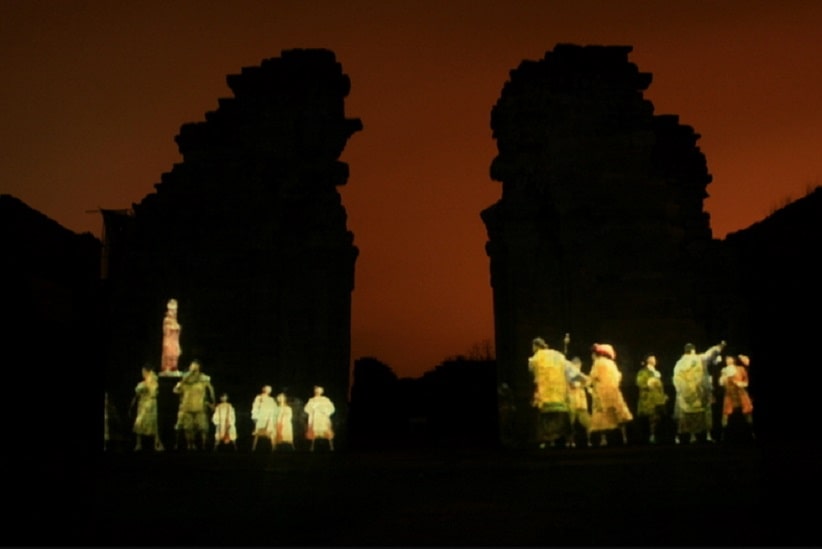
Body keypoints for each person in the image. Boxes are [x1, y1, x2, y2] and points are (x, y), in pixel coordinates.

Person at [528, 337, 577, 448]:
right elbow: (570, 370)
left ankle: (546, 442)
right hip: (560, 399)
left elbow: (531, 371)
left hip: (545, 399)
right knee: (562, 423)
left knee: (546, 423)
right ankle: (567, 441)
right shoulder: (558, 355)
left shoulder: (535, 358)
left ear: (536, 346)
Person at [672, 341, 725, 444]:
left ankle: (691, 436)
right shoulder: (698, 358)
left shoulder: (679, 363)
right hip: (698, 392)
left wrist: (683, 391)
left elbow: (676, 380)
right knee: (703, 414)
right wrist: (720, 346)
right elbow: (711, 353)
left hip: (687, 394)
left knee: (687, 415)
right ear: (693, 350)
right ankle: (705, 435)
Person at [588, 343, 633, 446]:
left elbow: (592, 377)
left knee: (602, 420)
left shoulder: (598, 363)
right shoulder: (612, 364)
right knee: (619, 417)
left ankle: (603, 440)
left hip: (602, 395)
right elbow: (618, 378)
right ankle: (624, 439)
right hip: (614, 394)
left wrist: (586, 384)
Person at [173, 359, 215, 450]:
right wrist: (186, 378)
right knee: (188, 429)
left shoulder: (204, 379)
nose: (193, 368)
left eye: (195, 366)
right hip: (187, 408)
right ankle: (190, 445)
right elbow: (175, 390)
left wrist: (212, 403)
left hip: (200, 408)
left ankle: (203, 446)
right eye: (192, 366)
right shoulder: (184, 380)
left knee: (203, 428)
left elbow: (211, 390)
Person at [719, 354, 755, 441]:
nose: (728, 361)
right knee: (726, 414)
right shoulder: (724, 370)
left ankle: (752, 432)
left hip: (740, 393)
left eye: (729, 359)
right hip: (729, 395)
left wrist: (741, 384)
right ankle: (722, 434)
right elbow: (721, 383)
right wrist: (723, 378)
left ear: (733, 360)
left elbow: (746, 381)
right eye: (726, 359)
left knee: (748, 413)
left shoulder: (740, 369)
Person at [636, 354, 669, 444]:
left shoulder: (656, 372)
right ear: (647, 360)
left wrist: (663, 396)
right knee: (650, 420)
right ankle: (649, 438)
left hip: (658, 402)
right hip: (649, 401)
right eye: (651, 358)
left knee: (657, 420)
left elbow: (659, 388)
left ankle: (656, 437)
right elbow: (641, 383)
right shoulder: (643, 372)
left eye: (654, 358)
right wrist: (650, 383)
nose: (654, 359)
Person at [131, 366, 165, 452]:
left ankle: (156, 443)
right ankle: (138, 444)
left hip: (151, 404)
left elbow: (155, 390)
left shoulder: (153, 382)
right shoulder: (142, 384)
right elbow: (137, 394)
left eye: (144, 371)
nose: (143, 373)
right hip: (143, 405)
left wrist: (150, 380)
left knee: (153, 423)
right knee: (139, 423)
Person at [566, 356, 592, 448]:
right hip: (572, 402)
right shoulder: (568, 375)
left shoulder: (581, 375)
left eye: (579, 365)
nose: (578, 367)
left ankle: (589, 441)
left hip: (581, 403)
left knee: (588, 423)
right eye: (576, 365)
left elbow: (588, 381)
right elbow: (574, 384)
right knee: (570, 423)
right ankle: (570, 442)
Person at [305, 385, 336, 451]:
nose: (318, 391)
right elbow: (306, 409)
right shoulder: (312, 400)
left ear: (322, 391)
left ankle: (331, 447)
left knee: (327, 432)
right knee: (314, 433)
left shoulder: (325, 399)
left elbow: (331, 408)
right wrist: (312, 410)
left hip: (323, 418)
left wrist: (324, 410)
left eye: (319, 390)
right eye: (317, 390)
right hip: (315, 418)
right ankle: (312, 447)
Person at [251, 385, 278, 452]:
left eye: (270, 389)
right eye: (268, 388)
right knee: (258, 434)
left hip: (270, 419)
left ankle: (274, 449)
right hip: (261, 418)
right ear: (264, 389)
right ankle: (253, 449)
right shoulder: (259, 398)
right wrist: (255, 418)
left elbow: (275, 409)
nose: (269, 390)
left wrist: (273, 418)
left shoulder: (271, 399)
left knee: (271, 434)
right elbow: (255, 407)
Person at [161, 298, 182, 374]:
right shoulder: (166, 320)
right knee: (169, 354)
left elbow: (177, 333)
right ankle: (167, 368)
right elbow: (166, 332)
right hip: (169, 340)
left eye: (175, 311)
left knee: (175, 354)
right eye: (172, 311)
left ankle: (174, 368)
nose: (174, 312)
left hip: (175, 341)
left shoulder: (175, 321)